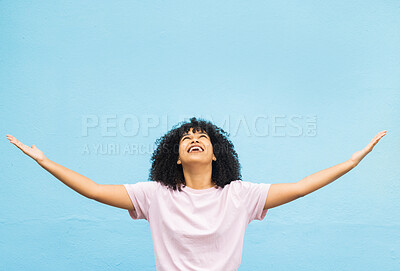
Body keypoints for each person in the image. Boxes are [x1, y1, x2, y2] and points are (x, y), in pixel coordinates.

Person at [6, 117, 387, 271]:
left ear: (215, 152)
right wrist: (45, 160)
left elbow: (302, 185)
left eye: (202, 137)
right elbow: (92, 189)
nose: (194, 139)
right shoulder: (154, 194)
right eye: (186, 138)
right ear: (175, 156)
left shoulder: (241, 195)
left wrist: (350, 163)